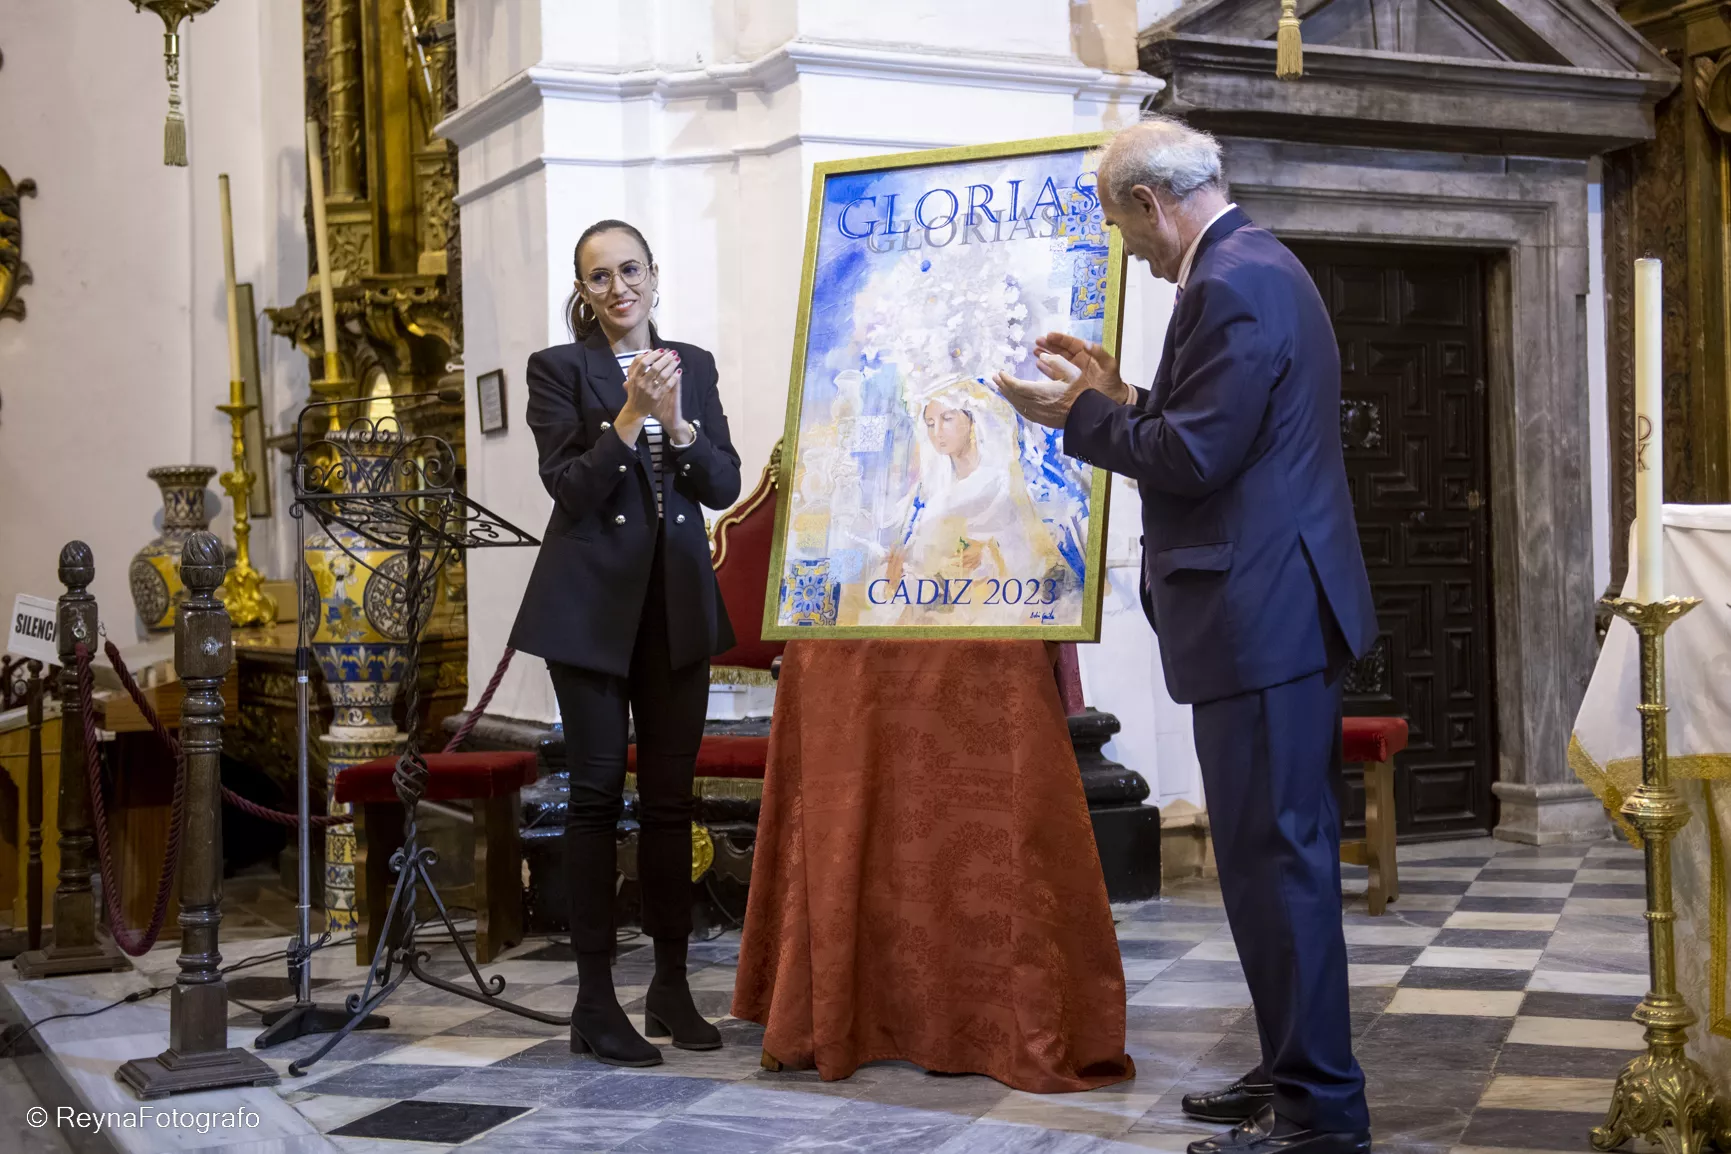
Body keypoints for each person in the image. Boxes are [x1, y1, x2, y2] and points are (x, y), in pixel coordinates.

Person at [994, 117, 1378, 1154]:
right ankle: (1293, 1067)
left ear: (1152, 203)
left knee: (1275, 861)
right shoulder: (1258, 265)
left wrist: (1074, 415)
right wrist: (1119, 394)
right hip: (1267, 610)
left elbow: (1197, 456)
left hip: (1263, 616)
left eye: (1123, 225)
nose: (1128, 248)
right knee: (1263, 861)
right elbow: (1214, 428)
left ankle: (1319, 1114)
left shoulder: (1232, 281)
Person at [509, 219, 742, 1067]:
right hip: (590, 611)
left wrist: (677, 422)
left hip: (676, 606)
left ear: (654, 274)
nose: (618, 288)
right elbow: (570, 490)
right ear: (585, 290)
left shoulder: (696, 365)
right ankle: (595, 1001)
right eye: (599, 277)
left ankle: (672, 986)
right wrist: (630, 413)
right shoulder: (558, 371)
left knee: (673, 801)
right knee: (600, 794)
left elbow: (722, 482)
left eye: (630, 270)